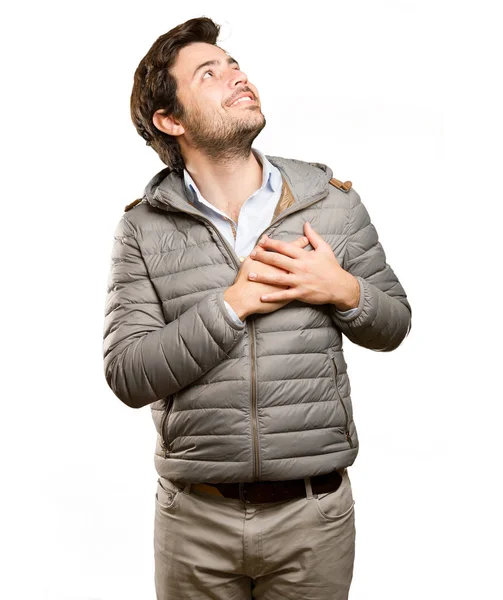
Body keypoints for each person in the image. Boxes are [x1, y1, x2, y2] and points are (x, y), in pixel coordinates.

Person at [102, 15, 412, 600]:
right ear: (171, 120)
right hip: (194, 522)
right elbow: (127, 373)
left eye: (235, 64)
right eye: (209, 73)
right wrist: (230, 306)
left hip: (313, 517)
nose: (237, 76)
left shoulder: (331, 203)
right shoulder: (141, 228)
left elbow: (394, 323)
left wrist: (343, 290)